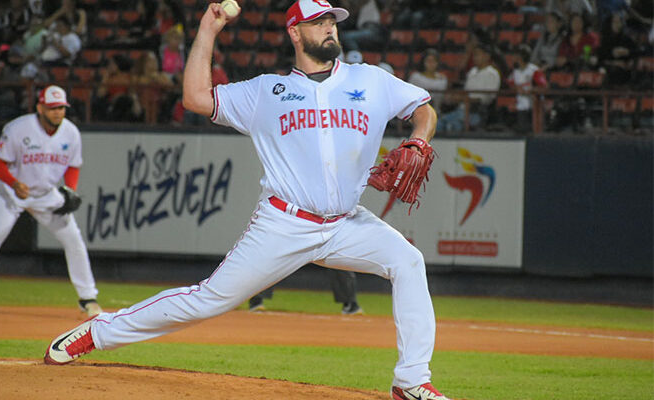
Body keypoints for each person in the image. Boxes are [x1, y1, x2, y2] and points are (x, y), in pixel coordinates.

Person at [44, 2, 450, 399]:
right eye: (318, 22)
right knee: (207, 300)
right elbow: (196, 98)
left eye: (332, 20)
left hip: (346, 224)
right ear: (295, 33)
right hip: (285, 223)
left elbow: (424, 109)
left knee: (408, 262)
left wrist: (418, 139)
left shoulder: (371, 80)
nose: (329, 27)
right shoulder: (266, 91)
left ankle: (410, 380)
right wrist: (208, 31)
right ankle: (98, 331)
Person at [0, 85, 102, 317]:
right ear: (40, 108)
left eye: (61, 107)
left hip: (46, 194)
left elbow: (73, 166)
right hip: (11, 192)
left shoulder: (71, 132)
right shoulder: (19, 128)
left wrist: (70, 190)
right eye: (52, 108)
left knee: (73, 239)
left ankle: (88, 298)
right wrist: (14, 183)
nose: (57, 112)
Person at [437, 43, 500, 132]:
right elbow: (466, 91)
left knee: (453, 126)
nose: (474, 58)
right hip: (462, 109)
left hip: (477, 112)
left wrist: (465, 99)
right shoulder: (472, 71)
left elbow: (487, 98)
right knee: (438, 123)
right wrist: (455, 97)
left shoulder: (492, 73)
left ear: (487, 56)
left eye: (477, 55)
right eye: (474, 55)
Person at [248, 267, 363, 315]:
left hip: (321, 229)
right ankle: (256, 299)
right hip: (296, 227)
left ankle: (350, 304)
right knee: (274, 256)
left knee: (338, 259)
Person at [507, 44, 548, 133]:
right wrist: (517, 88)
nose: (512, 57)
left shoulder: (534, 70)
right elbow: (510, 84)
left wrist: (530, 90)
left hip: (532, 107)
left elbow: (544, 87)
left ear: (520, 57)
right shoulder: (515, 71)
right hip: (519, 106)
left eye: (515, 55)